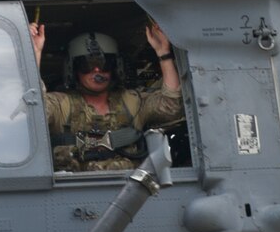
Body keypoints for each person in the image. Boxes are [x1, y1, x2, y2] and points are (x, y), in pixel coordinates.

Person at [31, 19, 182, 171]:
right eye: (87, 64)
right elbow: (34, 110)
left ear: (115, 68)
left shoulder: (132, 102)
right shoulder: (61, 105)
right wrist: (34, 54)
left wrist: (164, 53)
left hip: (129, 188)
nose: (97, 71)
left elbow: (171, 107)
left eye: (105, 64)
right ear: (73, 70)